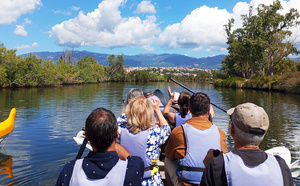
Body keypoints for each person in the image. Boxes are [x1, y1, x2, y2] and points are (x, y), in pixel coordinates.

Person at [200, 103, 294, 186]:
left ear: (232, 130)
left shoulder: (218, 165)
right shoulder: (281, 166)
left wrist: (210, 169)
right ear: (265, 133)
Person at [56, 108, 144, 186]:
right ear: (117, 134)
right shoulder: (132, 167)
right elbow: (132, 159)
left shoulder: (70, 170)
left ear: (86, 137)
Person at [164, 92, 228, 186]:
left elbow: (169, 155)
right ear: (209, 110)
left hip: (187, 183)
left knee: (167, 159)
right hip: (211, 183)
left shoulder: (178, 131)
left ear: (189, 109)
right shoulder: (221, 133)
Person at [118, 95, 171, 186]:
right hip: (149, 180)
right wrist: (157, 110)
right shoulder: (154, 134)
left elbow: (121, 118)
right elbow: (167, 129)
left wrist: (132, 110)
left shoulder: (119, 130)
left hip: (125, 179)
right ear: (149, 115)